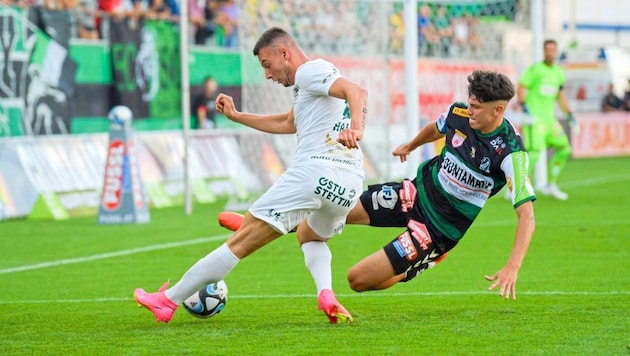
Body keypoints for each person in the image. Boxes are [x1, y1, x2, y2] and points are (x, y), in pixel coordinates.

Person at [220, 70, 536, 300]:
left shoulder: (510, 153)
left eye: (479, 107)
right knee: (334, 208)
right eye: (470, 103)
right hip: (413, 193)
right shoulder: (460, 113)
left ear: (499, 109)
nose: (471, 111)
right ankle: (271, 224)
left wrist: (512, 266)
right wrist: (410, 146)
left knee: (358, 280)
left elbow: (527, 216)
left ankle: (423, 263)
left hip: (438, 230)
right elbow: (436, 128)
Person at [134, 27, 368, 323]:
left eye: (266, 65)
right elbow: (287, 122)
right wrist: (237, 116)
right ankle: (326, 294)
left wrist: (357, 129)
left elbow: (357, 91)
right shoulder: (310, 84)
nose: (267, 75)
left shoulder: (310, 71)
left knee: (239, 244)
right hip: (348, 186)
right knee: (311, 237)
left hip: (314, 171)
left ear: (284, 53)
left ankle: (168, 301)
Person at [517, 39, 576, 201]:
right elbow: (521, 87)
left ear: (556, 52)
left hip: (550, 120)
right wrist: (523, 106)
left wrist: (569, 114)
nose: (550, 52)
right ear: (543, 51)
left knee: (564, 148)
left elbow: (560, 96)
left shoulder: (558, 73)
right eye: (547, 49)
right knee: (535, 152)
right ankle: (517, 187)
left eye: (553, 50)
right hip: (535, 119)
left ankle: (551, 184)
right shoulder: (535, 70)